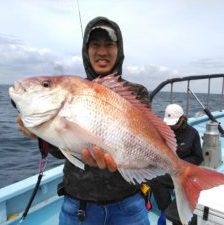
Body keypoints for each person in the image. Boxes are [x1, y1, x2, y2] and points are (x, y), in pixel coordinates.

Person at [17, 17, 151, 225]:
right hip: (79, 206)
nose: (102, 51)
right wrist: (38, 133)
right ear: (86, 51)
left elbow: (142, 146)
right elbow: (59, 149)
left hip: (128, 204)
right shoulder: (71, 90)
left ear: (119, 49)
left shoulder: (137, 93)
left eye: (109, 44)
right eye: (95, 45)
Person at [148, 103, 204, 225]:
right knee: (153, 179)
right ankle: (167, 211)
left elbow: (198, 157)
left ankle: (170, 213)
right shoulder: (162, 131)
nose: (171, 127)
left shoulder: (192, 133)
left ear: (182, 119)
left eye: (174, 124)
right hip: (166, 168)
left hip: (184, 170)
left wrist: (180, 164)